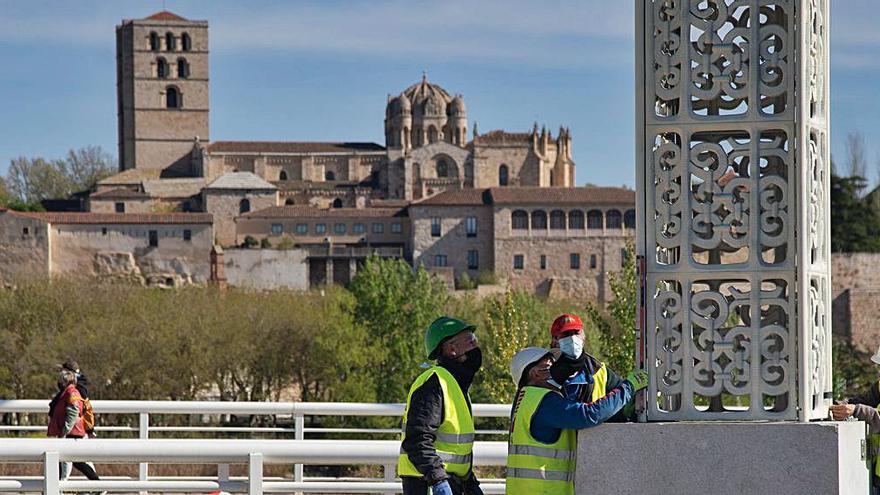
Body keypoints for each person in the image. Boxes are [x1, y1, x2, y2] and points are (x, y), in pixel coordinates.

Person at [506, 347, 648, 494]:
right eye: (550, 361)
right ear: (536, 373)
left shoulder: (525, 399)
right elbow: (589, 414)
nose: (557, 365)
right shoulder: (545, 401)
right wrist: (629, 387)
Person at [397, 316, 483, 495]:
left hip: (448, 482)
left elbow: (456, 449)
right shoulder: (435, 383)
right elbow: (418, 440)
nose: (476, 346)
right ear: (451, 349)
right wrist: (437, 480)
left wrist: (470, 483)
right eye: (470, 340)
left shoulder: (455, 385)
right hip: (428, 484)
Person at [546, 314, 633, 420]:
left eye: (576, 332)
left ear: (584, 336)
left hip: (593, 436)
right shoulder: (543, 371)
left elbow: (623, 403)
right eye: (566, 334)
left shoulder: (599, 371)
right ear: (555, 340)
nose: (573, 338)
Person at [47, 369, 101, 482]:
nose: (58, 383)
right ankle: (96, 484)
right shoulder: (69, 391)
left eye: (60, 380)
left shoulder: (71, 392)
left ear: (64, 381)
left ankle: (97, 484)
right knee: (71, 460)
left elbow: (73, 412)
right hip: (73, 431)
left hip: (72, 432)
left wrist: (64, 431)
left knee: (70, 460)